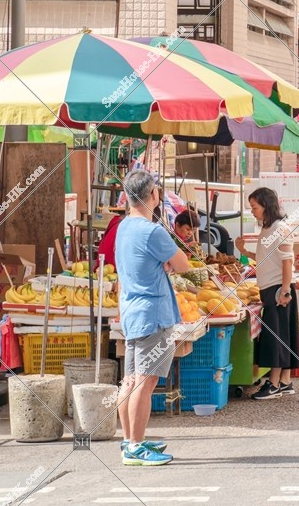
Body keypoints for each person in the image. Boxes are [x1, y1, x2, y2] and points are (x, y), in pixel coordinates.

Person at [115, 170, 190, 466]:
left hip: (132, 312)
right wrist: (167, 266)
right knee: (145, 384)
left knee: (130, 380)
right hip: (154, 314)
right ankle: (135, 446)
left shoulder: (123, 228)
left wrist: (162, 267)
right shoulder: (153, 231)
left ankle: (129, 440)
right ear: (153, 196)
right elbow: (182, 264)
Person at [244, 187, 299, 400]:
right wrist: (245, 252)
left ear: (266, 206)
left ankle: (274, 384)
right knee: (283, 334)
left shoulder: (280, 228)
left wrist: (285, 290)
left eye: (254, 207)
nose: (253, 212)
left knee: (276, 336)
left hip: (278, 288)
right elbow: (266, 258)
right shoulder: (269, 229)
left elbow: (288, 261)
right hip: (272, 287)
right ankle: (285, 381)